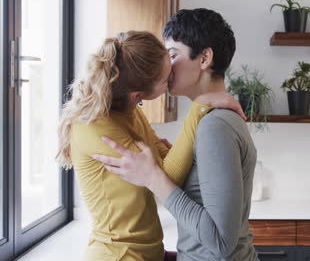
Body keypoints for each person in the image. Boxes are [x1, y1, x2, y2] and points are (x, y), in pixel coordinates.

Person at [56, 30, 246, 260]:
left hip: (145, 253)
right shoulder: (94, 125)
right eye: (166, 80)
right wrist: (199, 107)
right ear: (138, 95)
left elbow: (162, 166)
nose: (172, 78)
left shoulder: (130, 111)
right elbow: (164, 177)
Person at [94, 8, 259, 261]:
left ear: (204, 58)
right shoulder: (208, 119)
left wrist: (153, 178)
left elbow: (221, 242)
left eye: (173, 55)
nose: (167, 67)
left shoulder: (215, 127)